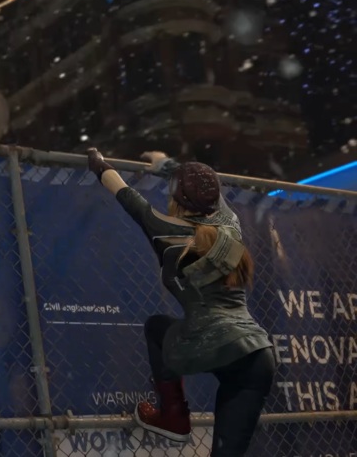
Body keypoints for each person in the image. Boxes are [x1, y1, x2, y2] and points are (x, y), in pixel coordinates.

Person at [85, 148, 275, 457]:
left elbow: (125, 193)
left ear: (177, 198)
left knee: (157, 327)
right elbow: (202, 184)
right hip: (257, 355)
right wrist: (164, 164)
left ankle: (174, 417)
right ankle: (174, 418)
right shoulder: (231, 224)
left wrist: (98, 161)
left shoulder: (165, 230)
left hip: (209, 342)